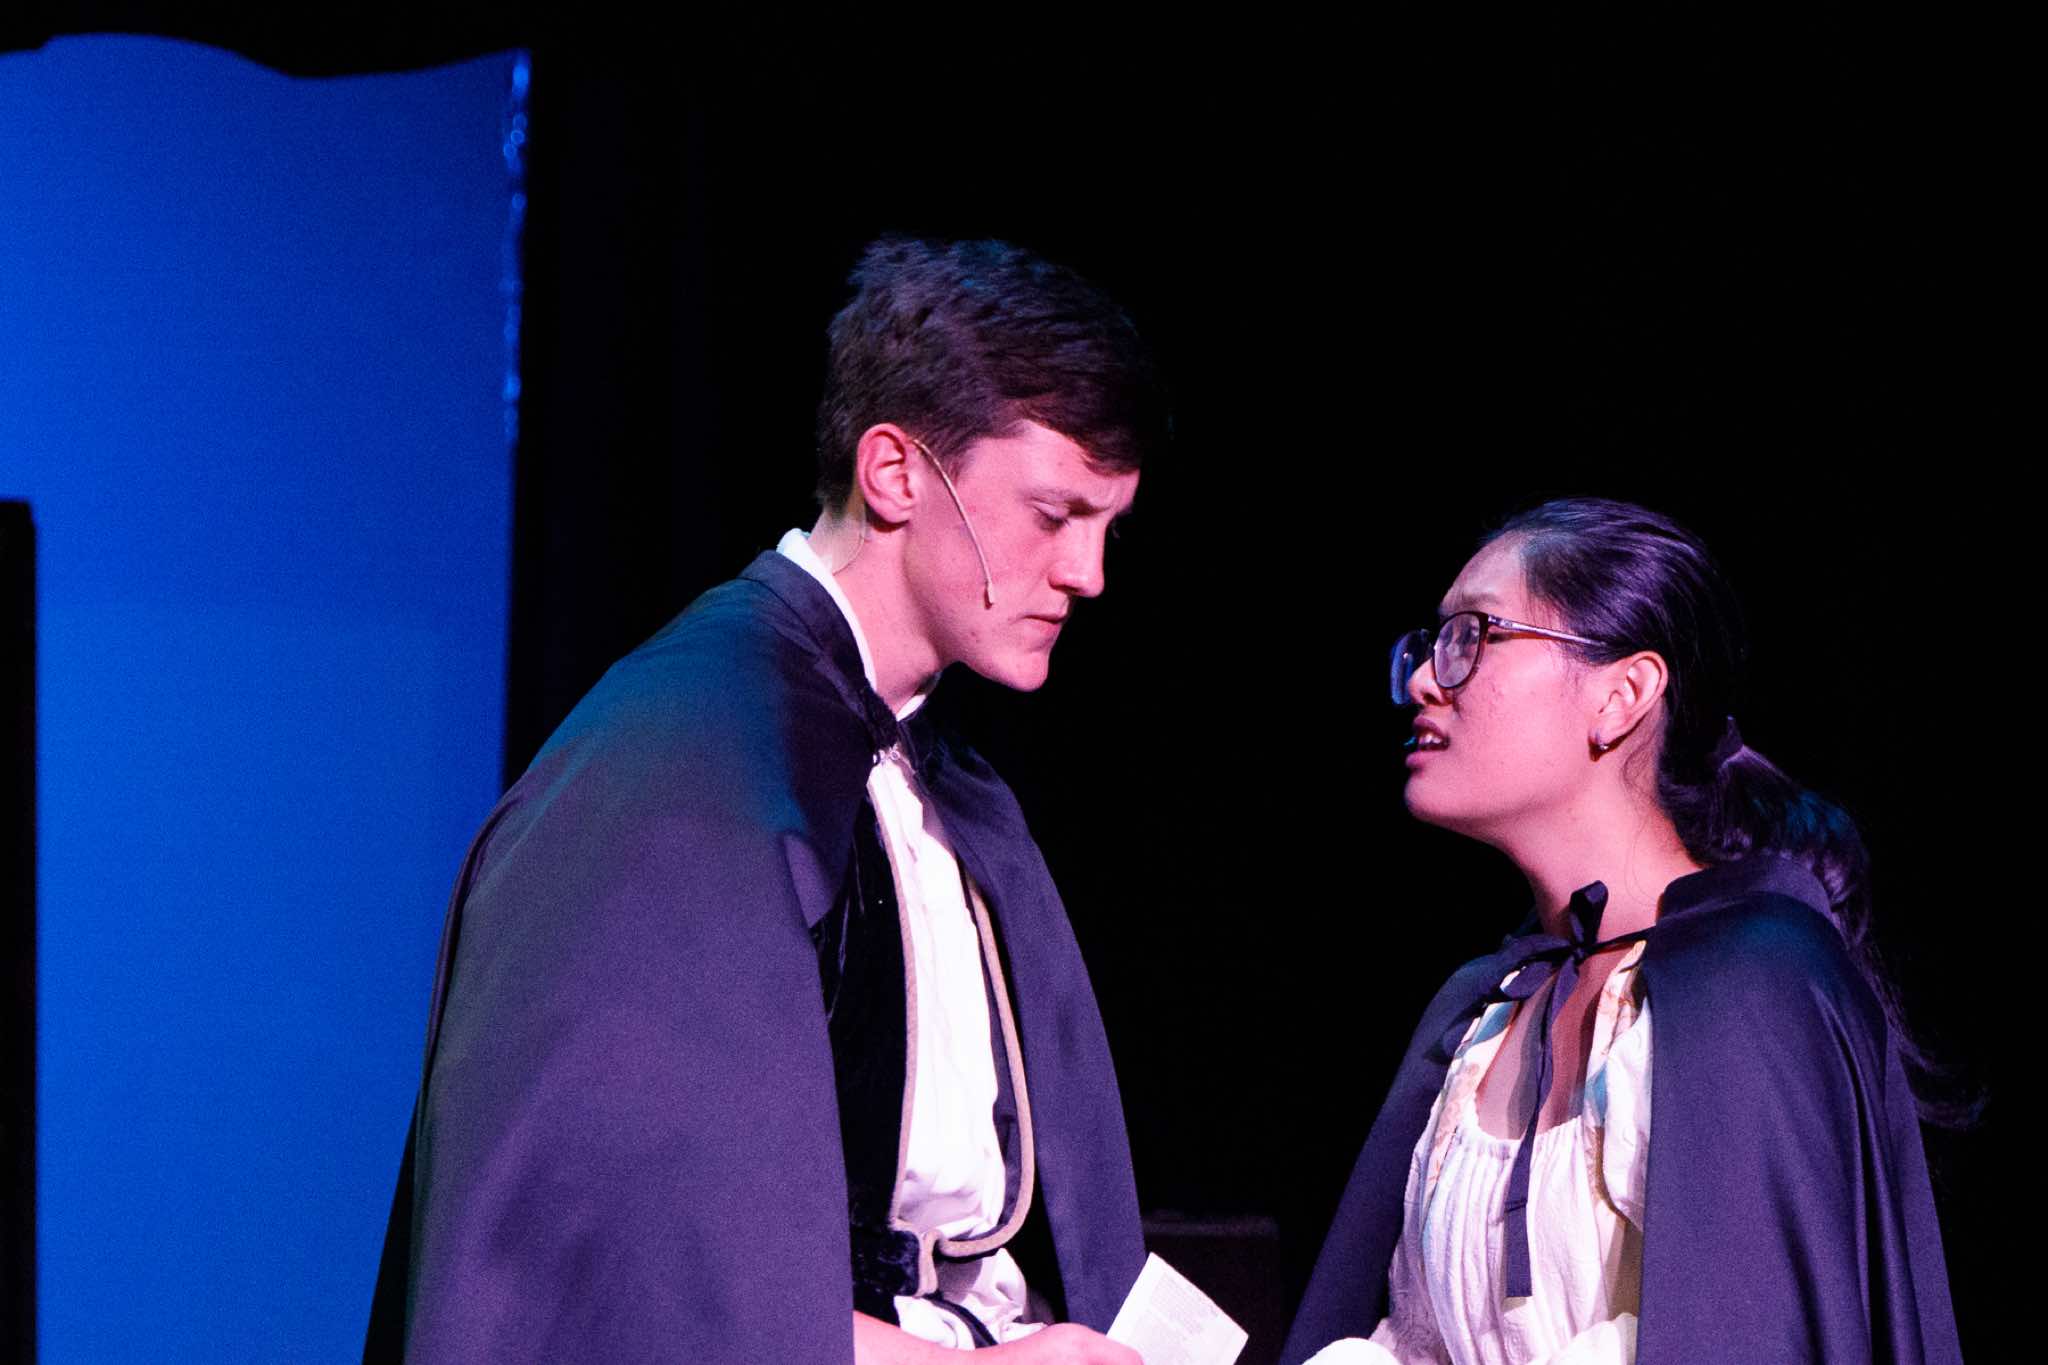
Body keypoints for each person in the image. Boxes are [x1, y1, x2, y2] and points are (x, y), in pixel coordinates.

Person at [365, 237, 1167, 1363]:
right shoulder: (687, 765)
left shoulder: (938, 771)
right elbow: (632, 1282)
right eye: (1052, 515)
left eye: (1106, 527)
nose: (1088, 574)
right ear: (894, 473)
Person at [1282, 498, 1960, 1365]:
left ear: (1623, 694)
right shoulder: (1483, 1016)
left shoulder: (1754, 982)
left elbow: (1744, 1337)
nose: (1423, 679)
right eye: (1429, 643)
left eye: (1472, 636)